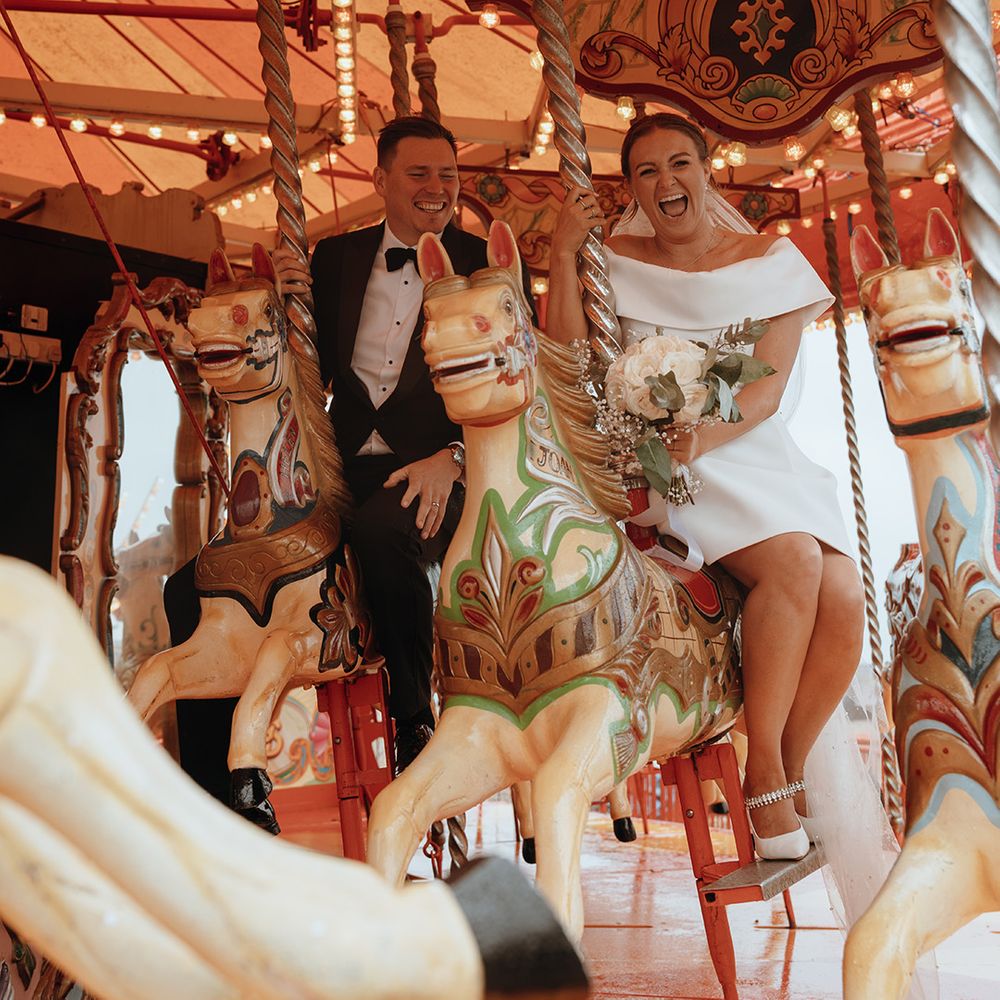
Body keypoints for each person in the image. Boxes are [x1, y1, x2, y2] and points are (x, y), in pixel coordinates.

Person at [546, 112, 865, 861]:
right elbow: (562, 351)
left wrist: (703, 434)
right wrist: (564, 256)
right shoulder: (611, 259)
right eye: (646, 172)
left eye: (679, 164)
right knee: (794, 561)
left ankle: (784, 759)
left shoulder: (771, 261)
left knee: (847, 598)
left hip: (747, 448)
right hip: (666, 466)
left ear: (706, 170)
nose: (666, 183)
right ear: (631, 190)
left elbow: (767, 387)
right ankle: (763, 782)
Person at [275, 116, 535, 774]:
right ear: (381, 179)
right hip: (338, 467)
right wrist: (284, 305)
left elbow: (515, 379)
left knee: (383, 533)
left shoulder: (487, 265)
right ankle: (221, 783)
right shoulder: (335, 258)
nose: (436, 188)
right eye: (418, 173)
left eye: (447, 175)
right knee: (213, 576)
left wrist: (452, 459)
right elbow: (308, 369)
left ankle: (417, 717)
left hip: (440, 469)